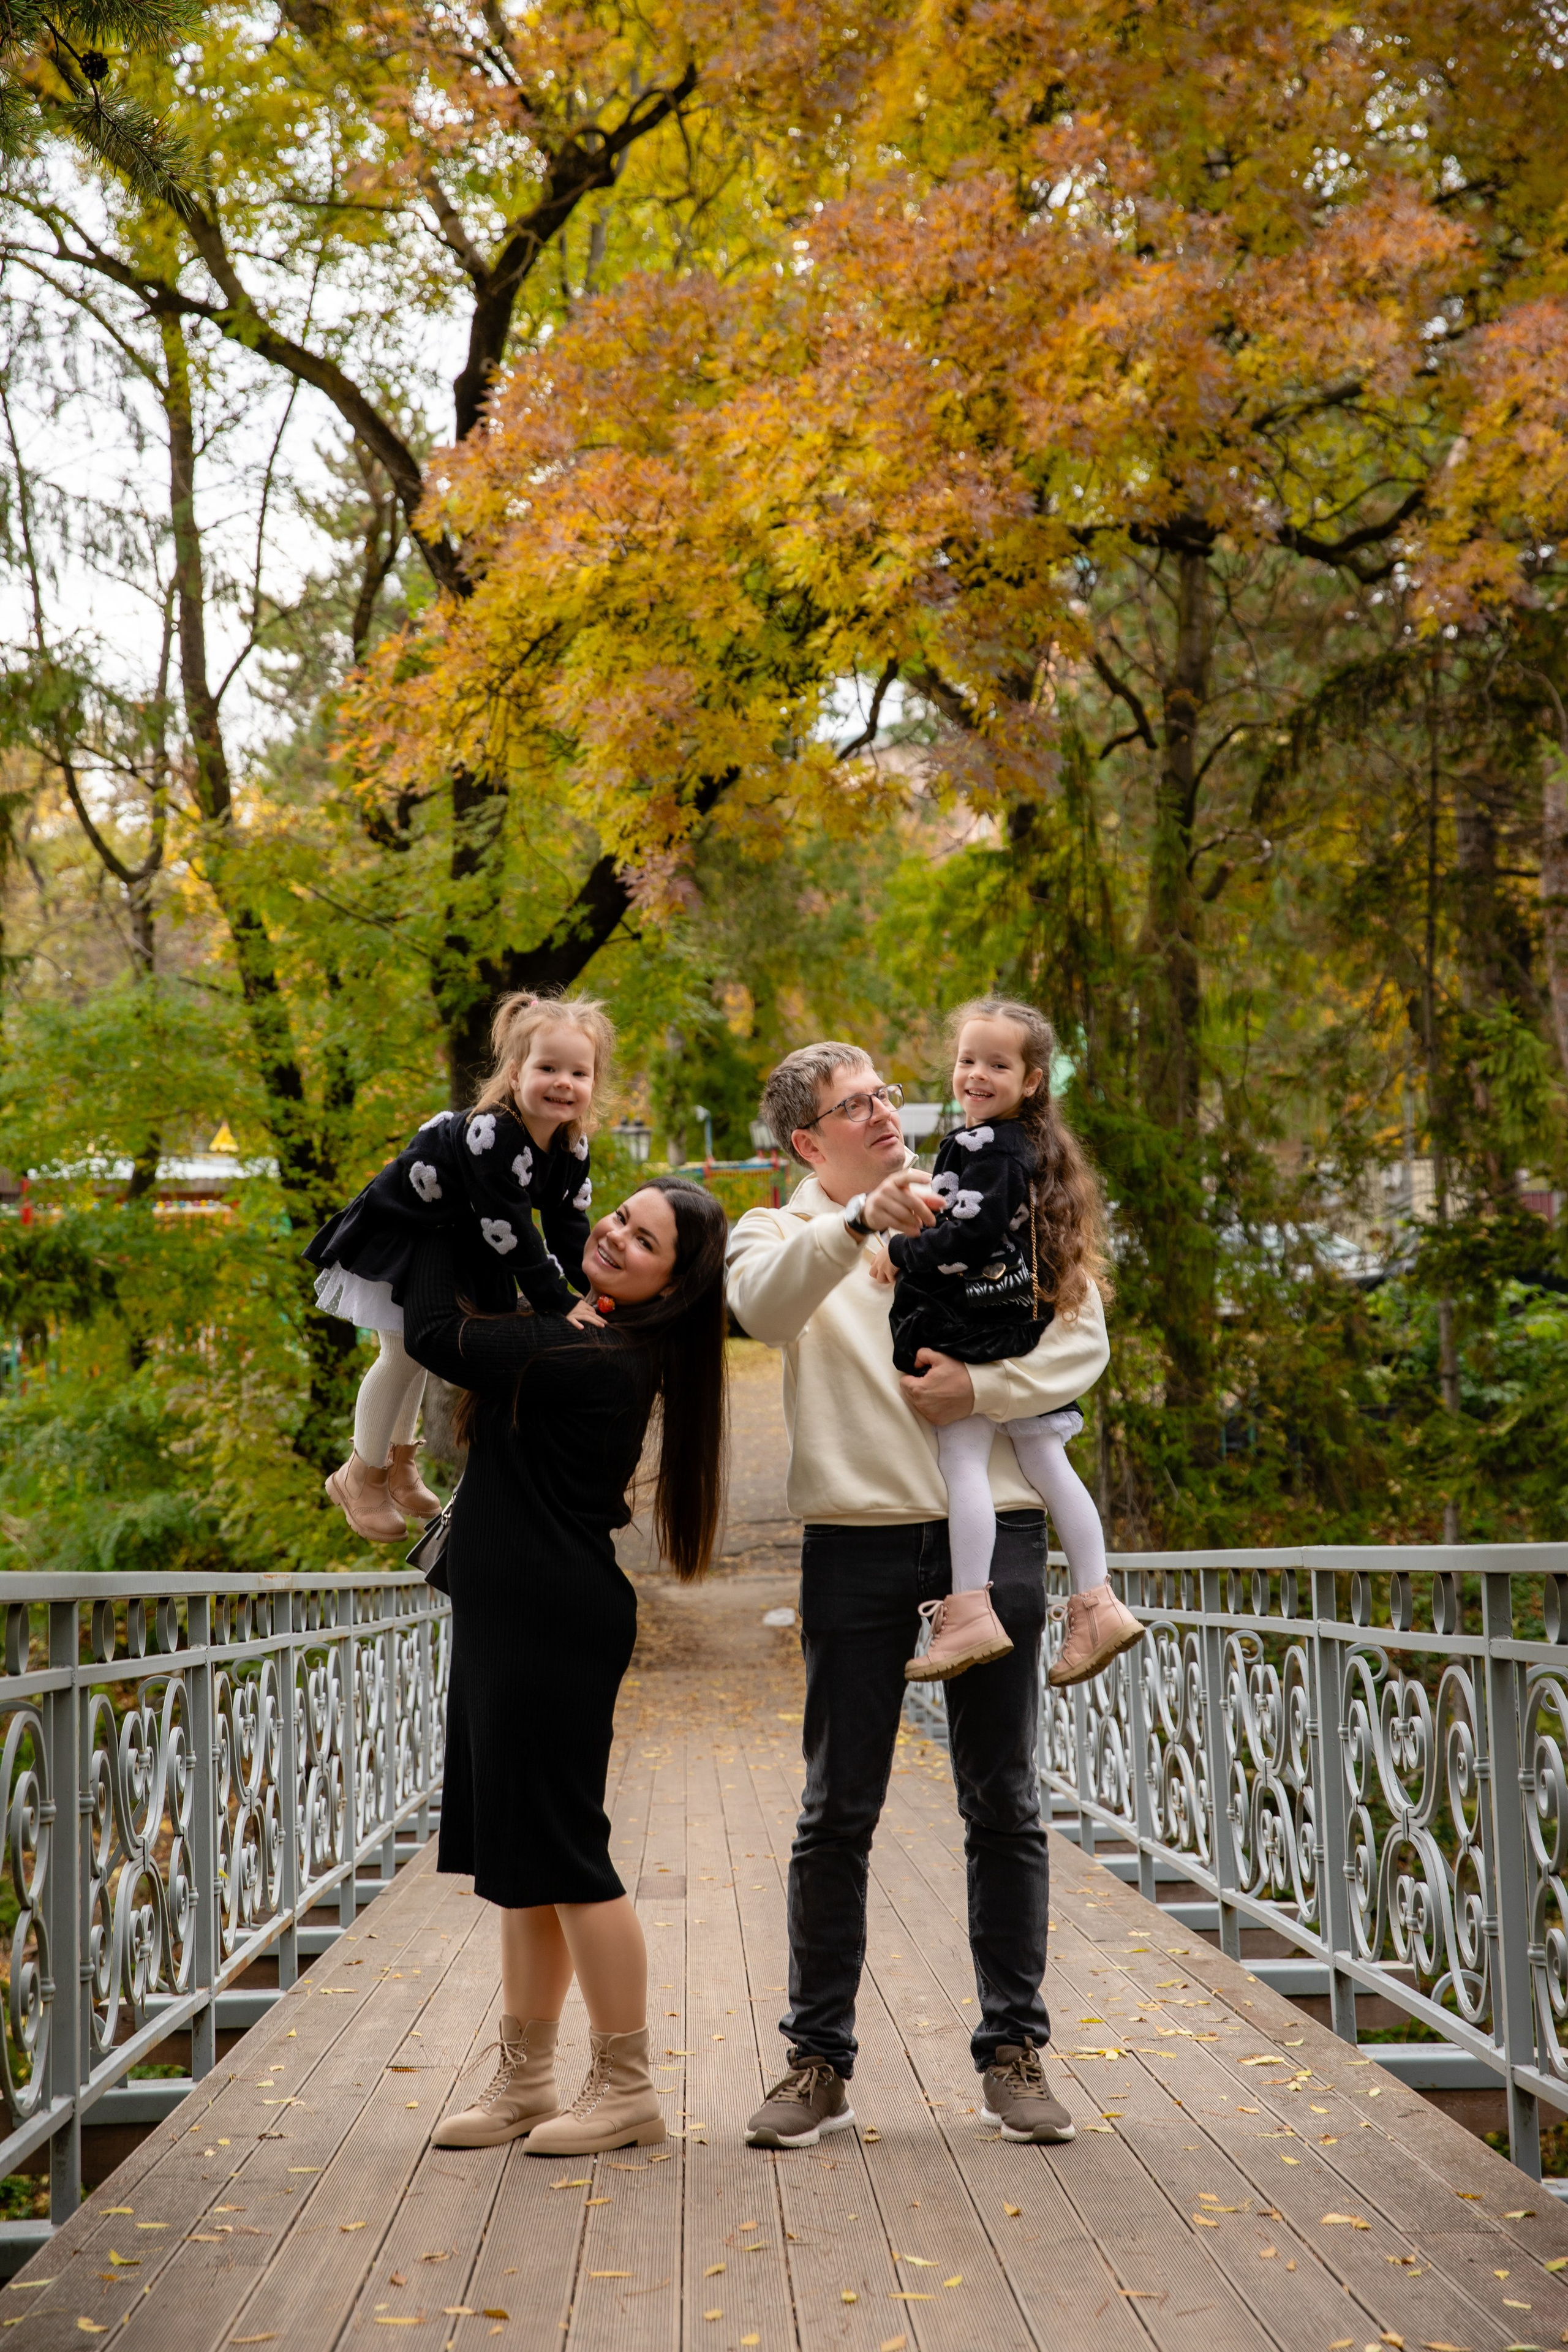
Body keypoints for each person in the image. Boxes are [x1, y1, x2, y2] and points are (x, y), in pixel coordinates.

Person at [725, 1041, 1108, 2151]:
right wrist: (860, 1228)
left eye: (889, 1093)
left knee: (1004, 1799)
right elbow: (758, 1310)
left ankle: (1014, 2053)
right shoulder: (780, 1230)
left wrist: (982, 1387)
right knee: (836, 1809)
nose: (887, 1112)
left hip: (995, 1535)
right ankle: (817, 2064)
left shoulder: (990, 1187)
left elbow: (1082, 1339)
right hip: (854, 1545)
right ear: (811, 1142)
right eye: (856, 1105)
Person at [404, 1172, 729, 2156]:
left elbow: (431, 1330)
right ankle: (528, 2081)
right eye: (620, 1215)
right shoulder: (574, 1328)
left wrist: (426, 1203)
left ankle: (626, 2087)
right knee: (525, 1863)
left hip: (552, 1622)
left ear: (672, 1285)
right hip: (513, 1616)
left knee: (569, 1856)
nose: (618, 1234)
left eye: (647, 1240)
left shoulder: (585, 1353)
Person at [870, 997, 1142, 1688]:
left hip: (975, 1330)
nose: (976, 1075)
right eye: (967, 1060)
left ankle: (968, 1613)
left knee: (962, 1460)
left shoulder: (987, 1145)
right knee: (1046, 1459)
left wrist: (900, 1251)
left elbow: (970, 1237)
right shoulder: (1018, 1144)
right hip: (1014, 1321)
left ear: (1031, 1080)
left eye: (997, 1064)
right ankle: (1097, 1601)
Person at [304, 992, 612, 1541]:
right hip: (408, 1227)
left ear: (594, 1084)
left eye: (579, 1072)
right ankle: (360, 1475)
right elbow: (511, 1228)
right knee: (402, 1353)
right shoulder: (493, 1133)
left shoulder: (572, 1146)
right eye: (548, 1068)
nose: (564, 1082)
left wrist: (590, 1291)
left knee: (412, 1355)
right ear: (516, 1075)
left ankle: (397, 1464)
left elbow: (568, 1224)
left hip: (462, 1238)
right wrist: (557, 1300)